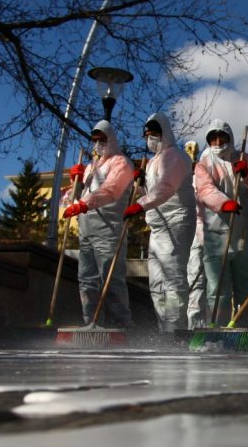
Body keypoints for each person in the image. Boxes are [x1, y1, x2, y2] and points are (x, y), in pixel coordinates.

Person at [123, 113, 197, 333]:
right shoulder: (155, 160)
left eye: (154, 134)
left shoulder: (176, 157)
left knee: (172, 278)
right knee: (156, 283)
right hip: (157, 226)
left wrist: (140, 204)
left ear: (164, 133)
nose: (150, 139)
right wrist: (140, 184)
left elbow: (166, 188)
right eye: (147, 136)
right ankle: (164, 326)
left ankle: (175, 328)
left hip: (176, 222)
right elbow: (154, 191)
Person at [195, 119, 248, 327]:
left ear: (230, 138)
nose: (218, 142)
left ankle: (245, 329)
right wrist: (224, 203)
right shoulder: (204, 165)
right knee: (217, 289)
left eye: (222, 137)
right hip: (216, 236)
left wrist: (247, 174)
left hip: (244, 236)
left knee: (246, 287)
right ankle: (216, 327)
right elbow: (204, 190)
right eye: (213, 138)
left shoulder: (246, 160)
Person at [62, 121, 136, 327]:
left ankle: (122, 325)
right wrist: (75, 183)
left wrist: (84, 204)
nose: (98, 144)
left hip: (108, 229)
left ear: (111, 139)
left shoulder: (121, 163)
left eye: (102, 139)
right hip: (87, 229)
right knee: (86, 280)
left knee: (111, 279)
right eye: (95, 140)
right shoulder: (92, 167)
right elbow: (79, 197)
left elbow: (111, 190)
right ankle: (92, 324)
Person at [185, 140, 208, 329]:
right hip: (186, 234)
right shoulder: (180, 179)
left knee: (203, 281)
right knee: (192, 280)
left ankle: (200, 325)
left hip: (205, 233)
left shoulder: (204, 177)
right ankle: (191, 325)